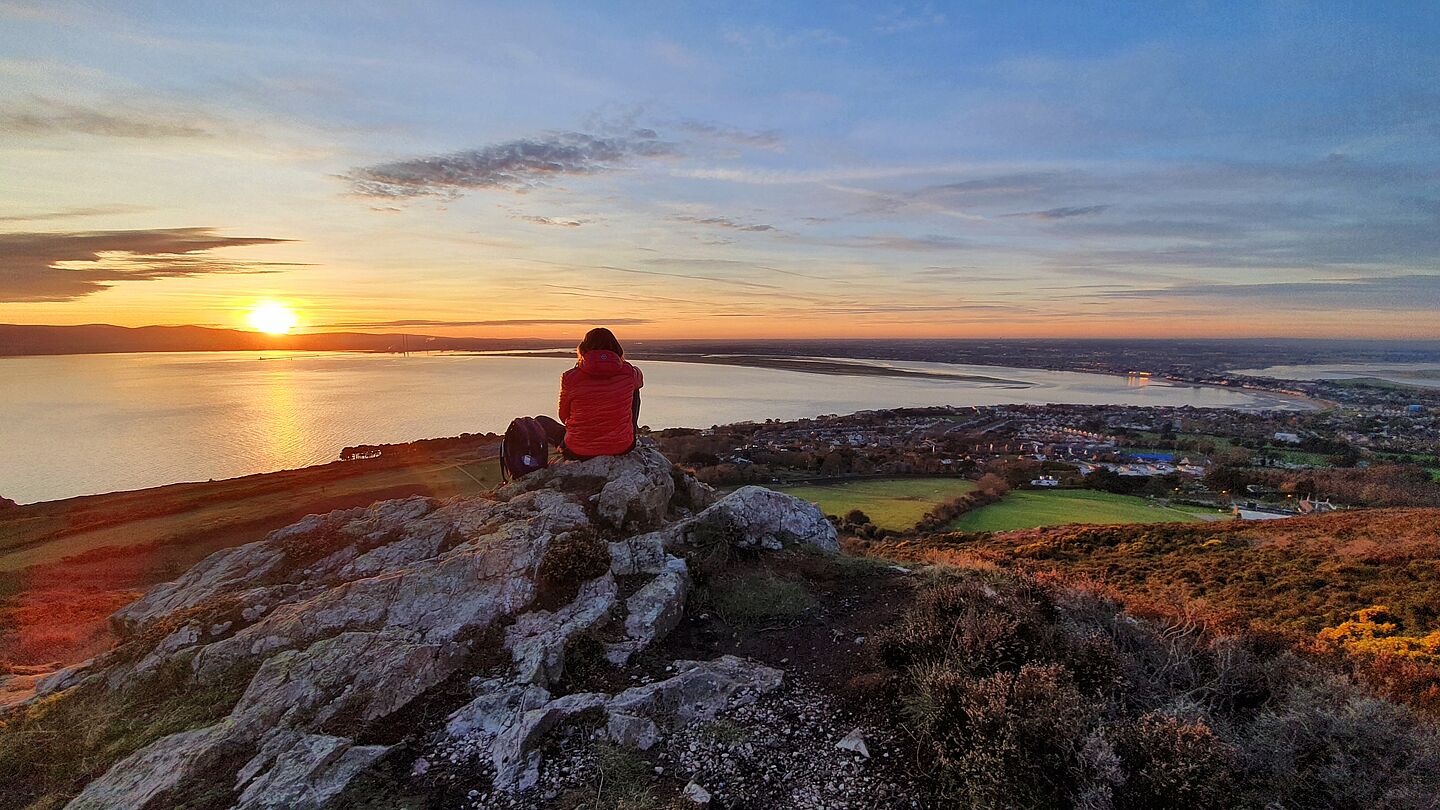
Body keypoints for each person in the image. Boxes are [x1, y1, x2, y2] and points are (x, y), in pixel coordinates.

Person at [534, 327, 643, 460]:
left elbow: (564, 416)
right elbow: (638, 381)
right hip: (622, 447)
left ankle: (543, 461)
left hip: (578, 451)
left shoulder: (570, 378)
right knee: (634, 388)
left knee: (539, 422)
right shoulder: (630, 373)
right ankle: (630, 432)